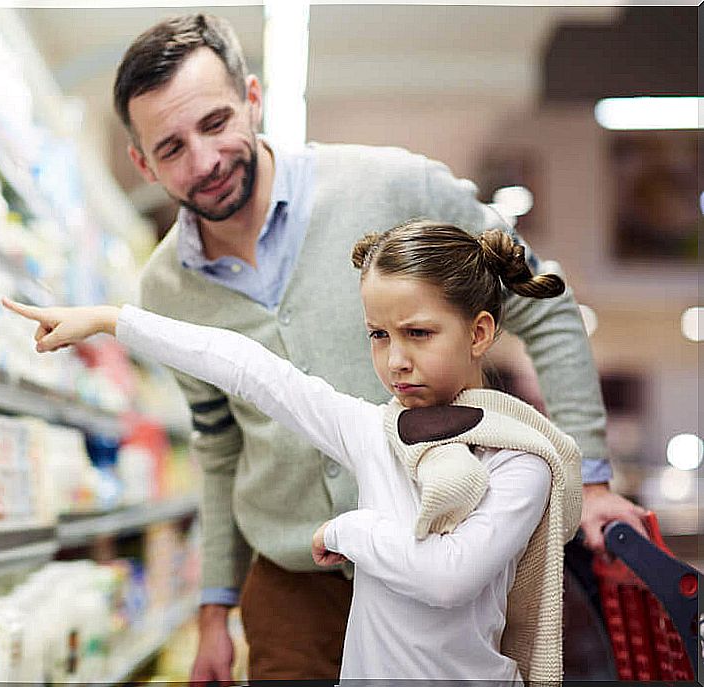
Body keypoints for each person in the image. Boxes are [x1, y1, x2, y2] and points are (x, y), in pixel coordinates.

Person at [108, 13, 646, 681]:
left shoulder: (391, 185)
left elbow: (546, 301)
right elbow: (220, 444)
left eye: (216, 123)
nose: (205, 161)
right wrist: (215, 606)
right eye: (171, 148)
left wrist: (589, 480)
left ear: (252, 98)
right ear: (141, 161)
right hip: (293, 584)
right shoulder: (164, 288)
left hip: (443, 553)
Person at [0, 220, 583, 681]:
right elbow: (249, 367)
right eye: (379, 335)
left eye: (419, 333)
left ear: (479, 332)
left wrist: (342, 534)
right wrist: (111, 319)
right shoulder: (377, 432)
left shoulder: (521, 459)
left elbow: (447, 578)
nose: (396, 359)